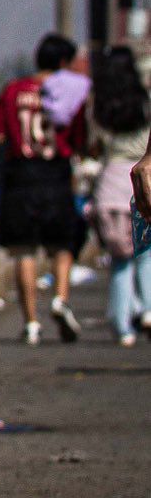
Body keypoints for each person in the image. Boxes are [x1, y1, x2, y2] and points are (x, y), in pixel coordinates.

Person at [0, 32, 87, 344]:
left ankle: (30, 322)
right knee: (63, 243)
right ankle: (60, 298)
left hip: (20, 175)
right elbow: (79, 139)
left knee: (24, 250)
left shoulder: (13, 89)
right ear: (62, 63)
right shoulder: (69, 93)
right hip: (55, 173)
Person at [85, 44, 151, 344]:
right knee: (145, 255)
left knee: (120, 260)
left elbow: (93, 146)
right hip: (143, 180)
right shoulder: (146, 103)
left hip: (110, 185)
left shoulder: (99, 109)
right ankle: (149, 308)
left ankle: (122, 326)